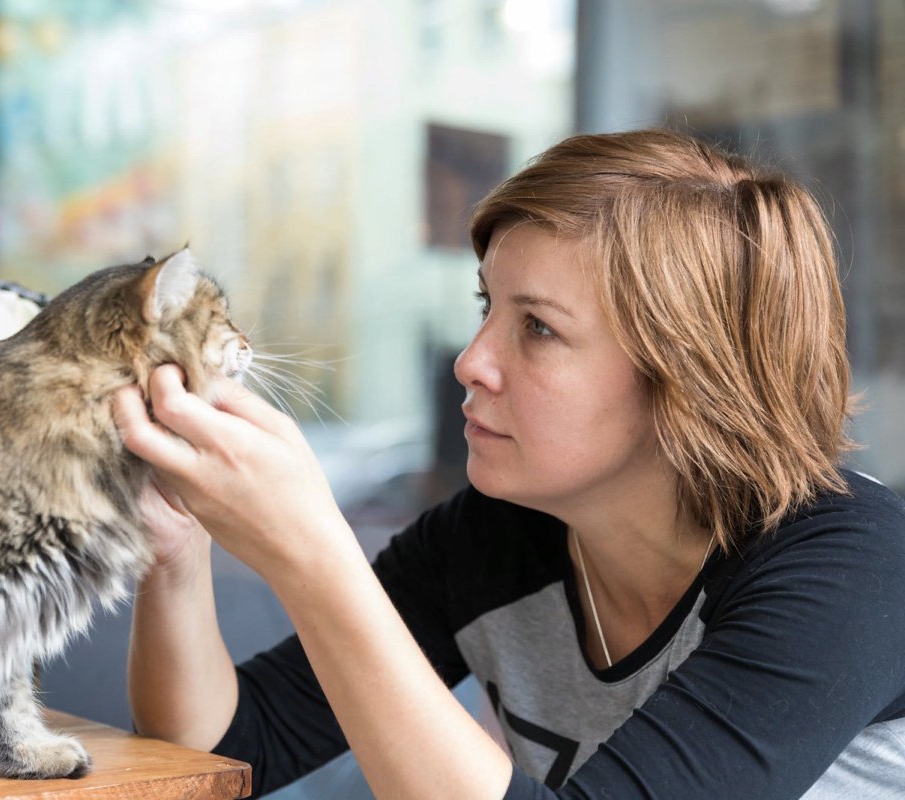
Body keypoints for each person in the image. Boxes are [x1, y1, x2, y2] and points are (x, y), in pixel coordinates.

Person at [112, 129, 905, 800]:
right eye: (487, 308)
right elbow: (225, 745)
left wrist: (314, 555)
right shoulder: (494, 536)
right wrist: (175, 548)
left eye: (540, 330)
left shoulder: (855, 569)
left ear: (689, 378)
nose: (470, 361)